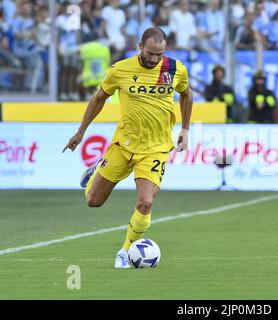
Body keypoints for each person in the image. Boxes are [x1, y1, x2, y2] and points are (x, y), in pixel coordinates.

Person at [63, 28, 193, 269]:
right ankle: (96, 170)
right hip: (123, 145)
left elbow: (186, 94)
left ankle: (125, 251)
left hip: (155, 149)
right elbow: (99, 98)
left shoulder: (175, 69)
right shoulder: (120, 69)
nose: (155, 59)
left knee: (145, 202)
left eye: (160, 54)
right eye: (151, 53)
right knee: (93, 201)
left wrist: (185, 129)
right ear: (139, 46)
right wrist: (81, 131)